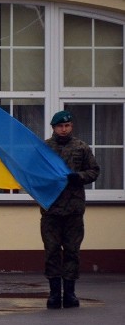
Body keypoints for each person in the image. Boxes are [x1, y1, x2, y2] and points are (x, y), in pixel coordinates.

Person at [41, 110, 99, 309]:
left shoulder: (81, 147)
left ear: (71, 126)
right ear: (54, 128)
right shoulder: (45, 147)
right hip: (51, 209)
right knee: (52, 252)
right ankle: (54, 293)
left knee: (72, 251)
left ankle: (71, 293)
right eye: (60, 126)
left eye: (67, 126)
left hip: (74, 209)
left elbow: (94, 171)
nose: (63, 129)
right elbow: (35, 173)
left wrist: (80, 177)